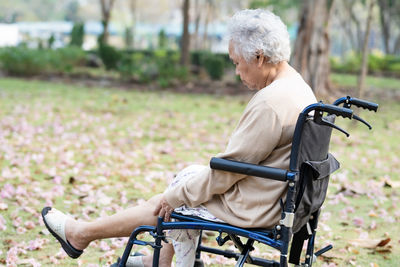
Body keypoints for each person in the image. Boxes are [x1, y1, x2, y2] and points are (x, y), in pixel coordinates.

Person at [41, 9, 317, 267]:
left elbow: (227, 172)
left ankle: (81, 234)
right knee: (184, 181)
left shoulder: (271, 103)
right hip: (278, 198)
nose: (236, 72)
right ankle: (157, 260)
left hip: (255, 207)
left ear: (258, 57)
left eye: (237, 63)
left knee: (169, 202)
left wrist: (174, 196)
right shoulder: (298, 87)